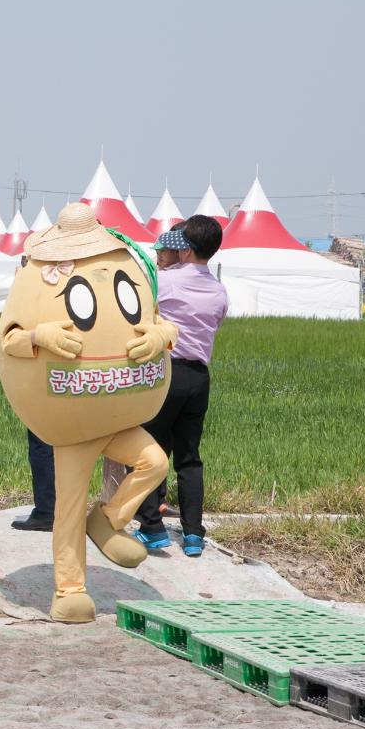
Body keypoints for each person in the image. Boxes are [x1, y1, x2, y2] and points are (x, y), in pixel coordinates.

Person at [134, 216, 229, 557]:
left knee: (146, 448)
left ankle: (151, 527)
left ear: (185, 249)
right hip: (199, 378)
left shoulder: (166, 282)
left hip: (166, 374)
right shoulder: (219, 291)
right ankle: (193, 535)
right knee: (189, 458)